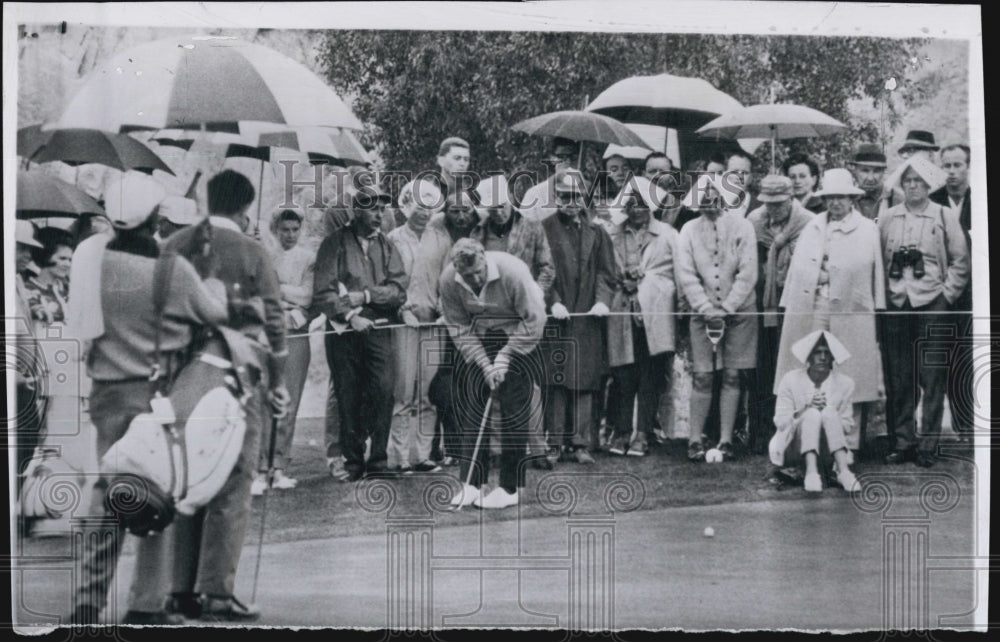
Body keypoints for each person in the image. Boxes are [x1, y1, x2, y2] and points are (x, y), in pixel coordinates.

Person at [67, 173, 228, 625]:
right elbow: (216, 312)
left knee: (107, 493)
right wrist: (211, 283)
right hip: (155, 393)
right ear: (155, 217)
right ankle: (146, 602)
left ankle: (87, 599)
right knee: (156, 492)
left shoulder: (90, 260)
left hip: (105, 393)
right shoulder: (170, 269)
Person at [164, 169, 289, 622]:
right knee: (233, 481)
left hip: (181, 376)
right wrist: (279, 383)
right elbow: (275, 324)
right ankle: (217, 591)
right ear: (244, 207)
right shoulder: (253, 251)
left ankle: (178, 589)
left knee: (186, 478)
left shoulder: (175, 245)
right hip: (237, 375)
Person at [775, 168, 886, 457]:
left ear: (852, 199)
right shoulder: (813, 227)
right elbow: (797, 273)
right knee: (807, 369)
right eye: (830, 197)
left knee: (850, 375)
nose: (836, 203)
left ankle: (848, 446)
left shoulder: (867, 229)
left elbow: (874, 275)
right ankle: (804, 443)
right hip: (813, 308)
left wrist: (876, 307)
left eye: (842, 197)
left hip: (852, 310)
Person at [441, 239, 546, 510]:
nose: (475, 279)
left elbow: (535, 320)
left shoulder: (514, 271)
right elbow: (458, 326)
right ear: (457, 270)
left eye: (478, 271)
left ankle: (509, 488)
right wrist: (485, 364)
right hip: (479, 338)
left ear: (484, 259)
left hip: (520, 337)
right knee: (472, 409)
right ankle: (472, 485)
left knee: (514, 412)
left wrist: (506, 355)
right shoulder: (449, 280)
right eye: (468, 276)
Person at [312, 185, 407, 481]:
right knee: (347, 393)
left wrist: (365, 297)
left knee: (383, 389)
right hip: (344, 332)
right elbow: (323, 292)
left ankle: (378, 459)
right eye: (373, 208)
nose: (380, 215)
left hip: (379, 328)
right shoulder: (334, 243)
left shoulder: (387, 246)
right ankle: (353, 461)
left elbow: (398, 291)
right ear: (356, 210)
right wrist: (350, 315)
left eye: (382, 209)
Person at [879, 157, 969, 468]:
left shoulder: (942, 215)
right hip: (898, 304)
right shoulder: (888, 218)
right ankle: (903, 441)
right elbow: (878, 260)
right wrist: (885, 299)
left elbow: (960, 260)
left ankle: (928, 444)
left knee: (933, 375)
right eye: (908, 181)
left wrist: (947, 296)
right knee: (900, 375)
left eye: (919, 181)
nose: (914, 186)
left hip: (933, 302)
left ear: (928, 185)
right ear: (901, 186)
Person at [471, 174, 556, 467]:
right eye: (492, 206)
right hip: (493, 319)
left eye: (502, 203)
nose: (499, 210)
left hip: (526, 318)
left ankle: (536, 449)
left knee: (529, 385)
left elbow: (547, 268)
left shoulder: (532, 227)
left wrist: (534, 294)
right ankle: (498, 451)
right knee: (495, 383)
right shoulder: (477, 233)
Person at [675, 175, 758, 462]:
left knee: (733, 374)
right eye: (703, 196)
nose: (709, 202)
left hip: (739, 312)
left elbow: (748, 273)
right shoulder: (687, 230)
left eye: (715, 195)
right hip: (702, 312)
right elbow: (685, 273)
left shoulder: (743, 227)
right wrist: (705, 308)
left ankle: (725, 440)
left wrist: (727, 308)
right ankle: (695, 440)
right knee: (702, 375)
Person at [540, 171, 615, 463]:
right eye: (564, 196)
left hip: (587, 316)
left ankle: (580, 442)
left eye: (576, 196)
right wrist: (552, 301)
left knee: (584, 378)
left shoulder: (597, 232)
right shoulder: (543, 229)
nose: (571, 202)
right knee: (556, 378)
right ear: (555, 197)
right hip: (557, 316)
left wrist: (601, 301)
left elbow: (607, 274)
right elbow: (540, 270)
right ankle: (555, 441)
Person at [606, 177, 679, 457]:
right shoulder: (613, 234)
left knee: (650, 373)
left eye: (643, 204)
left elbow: (676, 274)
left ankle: (643, 433)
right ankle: (622, 430)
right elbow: (606, 269)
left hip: (655, 312)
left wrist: (646, 284)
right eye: (632, 204)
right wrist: (623, 280)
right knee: (624, 373)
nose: (637, 209)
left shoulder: (668, 235)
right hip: (621, 310)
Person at [745, 175, 813, 454]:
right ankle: (759, 432)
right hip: (762, 303)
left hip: (792, 302)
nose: (773, 209)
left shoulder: (808, 223)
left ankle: (791, 432)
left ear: (791, 199)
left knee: (790, 366)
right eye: (768, 203)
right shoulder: (754, 222)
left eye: (779, 203)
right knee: (761, 367)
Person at [250, 209, 316, 495]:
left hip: (296, 335)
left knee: (288, 401)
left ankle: (279, 468)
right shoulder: (261, 254)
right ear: (275, 230)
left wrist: (279, 290)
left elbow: (308, 296)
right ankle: (260, 469)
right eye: (284, 230)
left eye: (294, 229)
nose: (290, 235)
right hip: (266, 333)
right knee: (264, 399)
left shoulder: (308, 258)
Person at [387, 179, 446, 474]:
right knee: (403, 392)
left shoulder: (440, 238)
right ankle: (398, 457)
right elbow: (389, 283)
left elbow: (448, 279)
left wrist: (444, 309)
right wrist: (400, 310)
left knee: (428, 393)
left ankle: (423, 455)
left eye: (429, 207)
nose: (423, 213)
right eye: (418, 206)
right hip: (404, 323)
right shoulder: (393, 239)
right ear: (406, 206)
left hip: (434, 322)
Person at [770, 331, 861, 493]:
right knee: (812, 413)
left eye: (827, 353)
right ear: (808, 357)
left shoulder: (845, 383)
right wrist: (806, 408)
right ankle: (811, 474)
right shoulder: (790, 379)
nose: (823, 357)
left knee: (829, 412)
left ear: (833, 357)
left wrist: (827, 413)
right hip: (792, 447)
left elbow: (847, 426)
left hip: (829, 450)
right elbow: (780, 422)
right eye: (817, 352)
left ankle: (844, 472)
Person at [929, 144, 973, 442]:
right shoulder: (933, 203)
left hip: (975, 295)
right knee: (945, 360)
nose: (953, 172)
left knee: (971, 359)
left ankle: (968, 425)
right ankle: (957, 426)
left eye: (958, 165)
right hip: (941, 295)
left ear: (969, 167)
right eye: (947, 166)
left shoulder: (979, 198)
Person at [14, 221, 44, 489]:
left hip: (24, 383)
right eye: (21, 248)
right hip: (12, 380)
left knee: (25, 447)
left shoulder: (18, 281)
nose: (28, 256)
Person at [24, 227, 74, 333]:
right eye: (62, 258)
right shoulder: (26, 290)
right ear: (46, 256)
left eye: (70, 260)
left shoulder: (69, 290)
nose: (68, 264)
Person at [520, 137, 580, 221]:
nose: (568, 162)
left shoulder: (587, 192)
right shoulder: (535, 194)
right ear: (552, 158)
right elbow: (525, 227)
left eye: (573, 157)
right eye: (562, 157)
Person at [850, 143, 895, 221]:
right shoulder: (848, 198)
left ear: (883, 172)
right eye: (865, 171)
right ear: (855, 171)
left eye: (876, 171)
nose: (870, 178)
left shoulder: (894, 198)